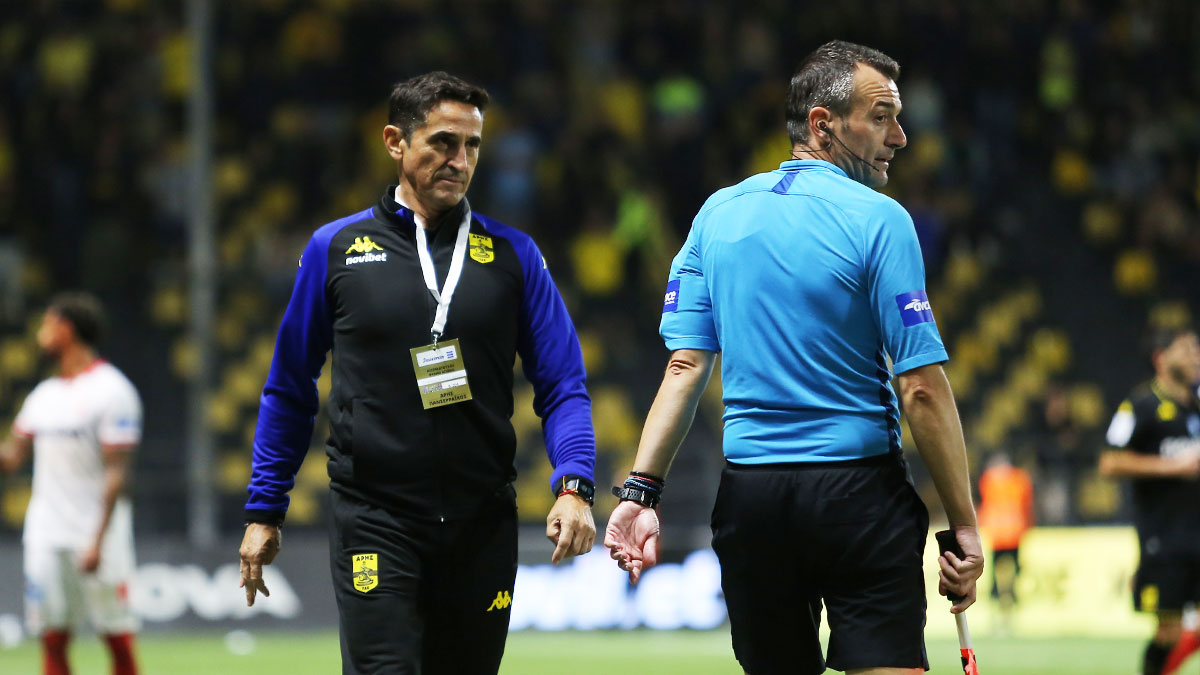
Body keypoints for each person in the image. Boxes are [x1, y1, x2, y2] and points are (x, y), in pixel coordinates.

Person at [603, 40, 983, 675]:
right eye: (882, 117)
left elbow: (685, 368)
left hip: (752, 499)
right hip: (858, 491)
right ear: (822, 123)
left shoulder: (715, 215)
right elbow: (919, 386)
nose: (900, 137)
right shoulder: (881, 219)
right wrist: (963, 526)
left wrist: (640, 493)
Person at [237, 71, 597, 674]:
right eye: (443, 143)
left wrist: (575, 484)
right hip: (375, 517)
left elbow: (563, 385)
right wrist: (264, 508)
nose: (460, 160)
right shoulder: (335, 249)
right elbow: (290, 387)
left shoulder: (515, 255)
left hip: (482, 521)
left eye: (472, 145)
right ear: (395, 142)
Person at [0, 292, 142, 675]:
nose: (40, 334)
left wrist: (97, 539)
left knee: (116, 634)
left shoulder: (113, 390)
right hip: (46, 532)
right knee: (52, 635)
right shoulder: (43, 396)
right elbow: (11, 458)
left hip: (98, 533)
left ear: (66, 329)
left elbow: (117, 472)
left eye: (47, 325)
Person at [1099, 326, 1200, 675]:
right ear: (1161, 358)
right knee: (1168, 633)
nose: (1195, 357)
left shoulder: (1197, 405)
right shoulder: (1139, 406)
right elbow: (1109, 462)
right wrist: (1175, 466)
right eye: (1186, 350)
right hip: (1165, 540)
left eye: (1196, 350)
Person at [976, 450, 1034, 635]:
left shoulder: (988, 479)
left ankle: (998, 615)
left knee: (995, 574)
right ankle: (1009, 614)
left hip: (997, 532)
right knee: (1014, 573)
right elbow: (1027, 503)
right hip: (1014, 531)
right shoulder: (1020, 478)